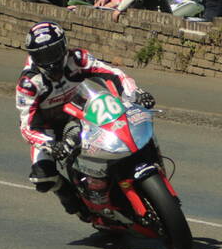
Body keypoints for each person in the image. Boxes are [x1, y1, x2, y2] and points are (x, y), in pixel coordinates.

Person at [16, 21, 152, 216]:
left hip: (85, 112)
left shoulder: (78, 58)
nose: (50, 61)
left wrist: (136, 93)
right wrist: (50, 144)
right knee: (42, 179)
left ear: (64, 47)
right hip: (50, 128)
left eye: (53, 53)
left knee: (127, 122)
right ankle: (69, 196)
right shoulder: (28, 83)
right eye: (42, 56)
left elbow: (114, 73)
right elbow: (26, 126)